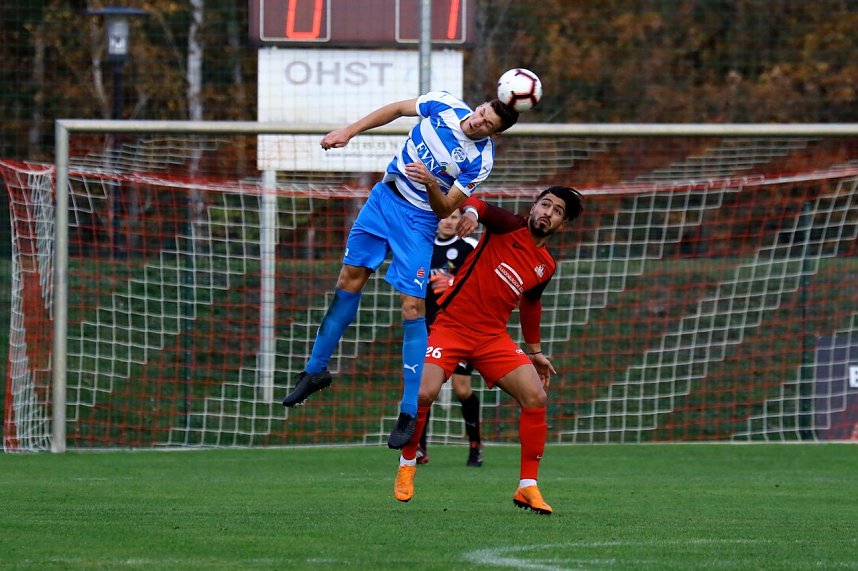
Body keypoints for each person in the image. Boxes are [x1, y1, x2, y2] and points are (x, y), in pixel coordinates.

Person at [281, 91, 519, 451]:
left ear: (495, 133)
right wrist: (349, 131)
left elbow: (445, 210)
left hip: (419, 220)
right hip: (383, 199)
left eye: (488, 124)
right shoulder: (444, 104)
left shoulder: (480, 160)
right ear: (480, 105)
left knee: (412, 307)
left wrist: (430, 181)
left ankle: (409, 411)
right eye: (482, 113)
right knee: (348, 280)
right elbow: (396, 109)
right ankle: (315, 371)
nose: (478, 122)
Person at [393, 186, 584, 515]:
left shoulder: (545, 265)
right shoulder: (509, 225)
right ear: (533, 206)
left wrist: (535, 351)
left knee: (536, 396)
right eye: (546, 205)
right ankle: (408, 462)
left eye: (557, 212)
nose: (548, 213)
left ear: (561, 225)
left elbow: (531, 303)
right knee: (424, 392)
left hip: (491, 338)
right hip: (450, 327)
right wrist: (469, 213)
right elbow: (477, 205)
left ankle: (527, 486)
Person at [418, 210, 483, 468]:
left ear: (462, 221)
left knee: (462, 389)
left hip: (462, 329)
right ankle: (420, 448)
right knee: (426, 389)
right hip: (431, 330)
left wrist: (453, 283)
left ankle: (475, 445)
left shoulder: (471, 247)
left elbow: (482, 284)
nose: (448, 221)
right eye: (444, 216)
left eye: (455, 217)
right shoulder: (424, 246)